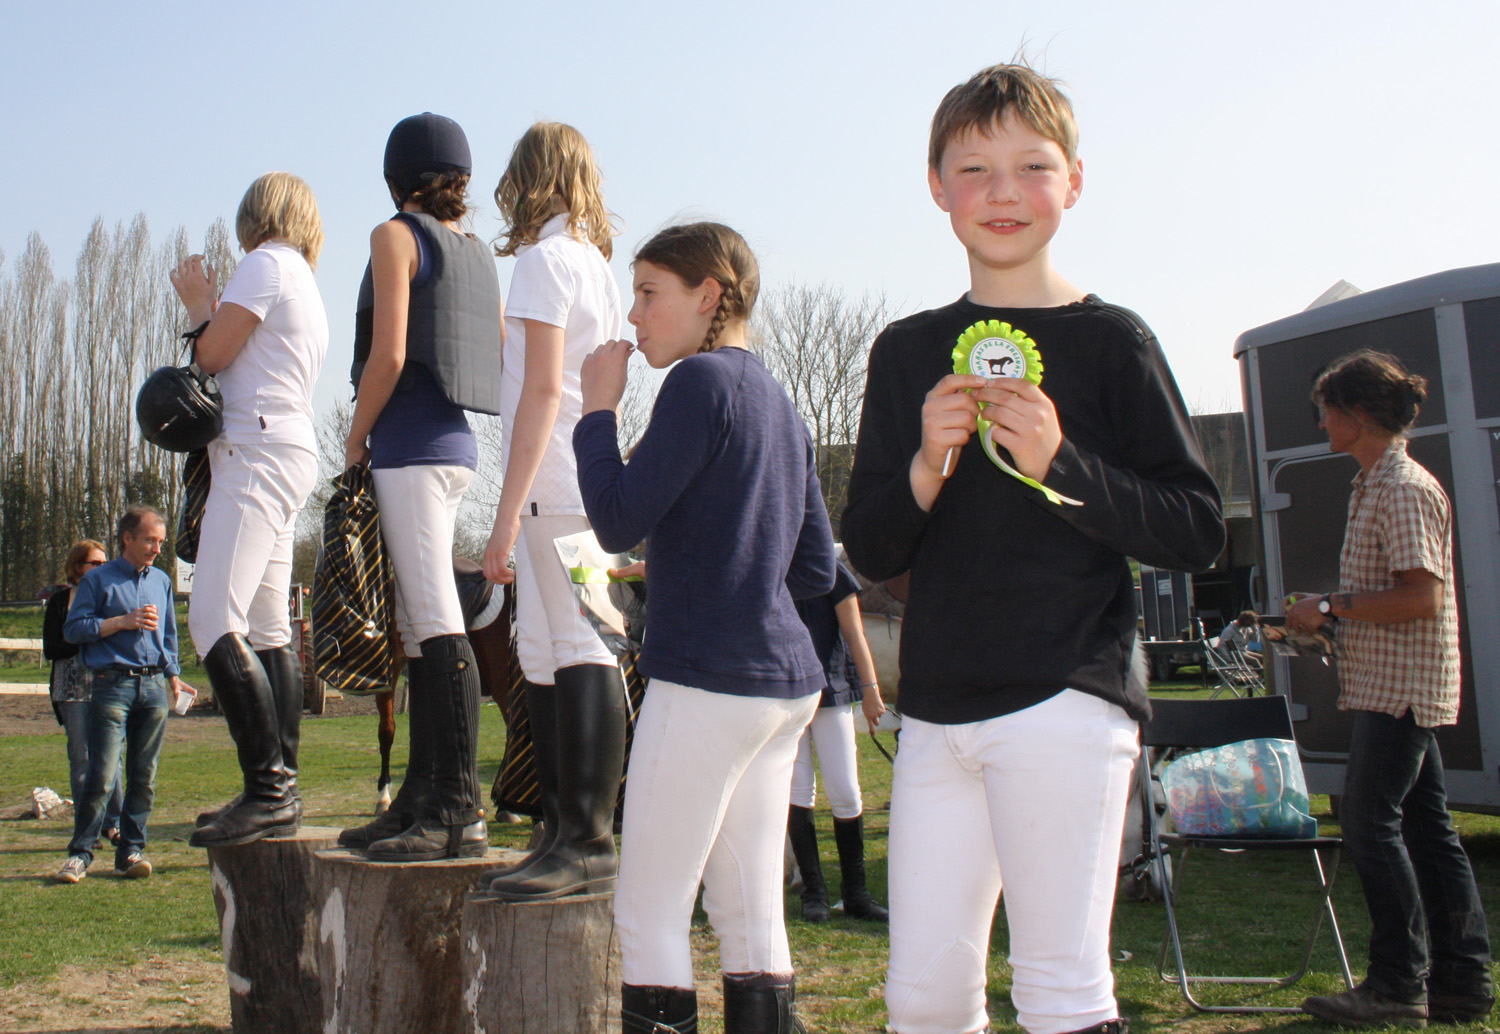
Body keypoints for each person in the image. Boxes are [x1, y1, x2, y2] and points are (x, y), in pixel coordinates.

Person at [840, 63, 1224, 1034]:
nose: (1003, 191)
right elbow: (871, 545)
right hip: (934, 716)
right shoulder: (903, 349)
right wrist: (928, 463)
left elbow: (1195, 527)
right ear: (936, 187)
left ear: (1076, 181)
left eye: (1032, 165)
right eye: (974, 168)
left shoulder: (1115, 341)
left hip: (1067, 700)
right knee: (922, 998)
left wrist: (1063, 461)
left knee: (1059, 991)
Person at [575, 222, 836, 1034]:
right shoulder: (777, 399)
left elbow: (616, 520)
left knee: (647, 913)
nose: (634, 314)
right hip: (782, 685)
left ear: (709, 297)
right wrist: (721, 563)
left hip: (707, 683)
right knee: (751, 917)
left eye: (650, 293)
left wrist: (596, 413)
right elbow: (819, 570)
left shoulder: (697, 384)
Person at [1291, 350, 1493, 1028]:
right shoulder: (1375, 483)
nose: (1320, 422)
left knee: (1369, 824)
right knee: (1428, 829)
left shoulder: (1403, 487)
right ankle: (1464, 982)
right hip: (1389, 681)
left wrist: (1331, 605)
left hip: (1400, 689)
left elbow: (1421, 599)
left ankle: (1397, 983)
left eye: (1327, 409)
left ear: (1359, 414)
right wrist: (1324, 614)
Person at [338, 113, 502, 862]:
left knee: (435, 622)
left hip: (407, 446)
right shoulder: (474, 253)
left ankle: (460, 811)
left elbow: (389, 353)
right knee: (417, 622)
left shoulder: (394, 236)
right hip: (456, 445)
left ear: (393, 177)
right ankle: (419, 796)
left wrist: (354, 435)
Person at [480, 122, 627, 899]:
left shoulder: (542, 262)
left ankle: (590, 841)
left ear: (527, 179)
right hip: (577, 485)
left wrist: (503, 516)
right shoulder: (594, 264)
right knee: (543, 648)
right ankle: (561, 831)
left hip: (556, 489)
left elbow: (541, 391)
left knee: (580, 645)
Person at [170, 171, 328, 848]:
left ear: (256, 215)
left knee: (211, 619)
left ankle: (270, 791)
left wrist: (200, 303)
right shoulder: (302, 278)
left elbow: (212, 353)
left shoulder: (265, 263)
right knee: (268, 629)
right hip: (284, 447)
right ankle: (277, 786)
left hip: (255, 451)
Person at [55, 506, 184, 883]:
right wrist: (120, 622)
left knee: (144, 776)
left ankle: (131, 850)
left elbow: (170, 637)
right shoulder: (98, 581)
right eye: (150, 540)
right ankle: (80, 853)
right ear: (127, 538)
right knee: (101, 774)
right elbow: (73, 629)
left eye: (160, 541)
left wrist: (173, 676)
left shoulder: (161, 581)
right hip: (113, 685)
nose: (157, 549)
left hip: (155, 688)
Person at [787, 560, 890, 924]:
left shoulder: (830, 571)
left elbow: (854, 631)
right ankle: (814, 893)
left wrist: (871, 689)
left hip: (832, 691)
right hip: (785, 693)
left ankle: (856, 893)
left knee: (846, 791)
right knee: (798, 793)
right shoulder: (768, 565)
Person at [44, 539, 123, 843]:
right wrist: (89, 635)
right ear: (79, 567)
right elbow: (51, 647)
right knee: (82, 759)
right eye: (95, 563)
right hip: (71, 689)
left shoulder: (110, 597)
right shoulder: (60, 601)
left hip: (108, 685)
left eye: (105, 563)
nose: (102, 568)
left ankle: (113, 823)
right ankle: (87, 826)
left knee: (113, 758)